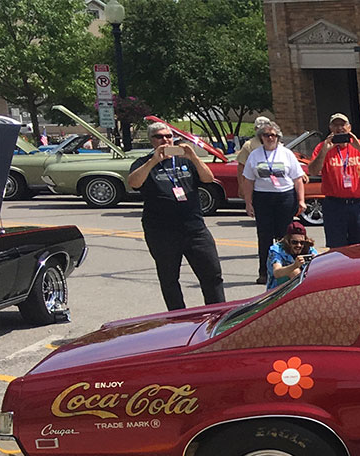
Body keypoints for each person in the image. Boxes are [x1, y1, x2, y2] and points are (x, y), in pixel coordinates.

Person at [127, 122, 224, 311]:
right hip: (162, 232)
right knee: (169, 278)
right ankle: (179, 318)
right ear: (151, 140)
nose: (165, 140)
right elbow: (134, 183)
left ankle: (217, 314)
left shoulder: (185, 161)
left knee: (212, 274)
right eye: (159, 137)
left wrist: (193, 156)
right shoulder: (144, 163)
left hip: (194, 228)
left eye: (168, 136)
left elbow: (208, 178)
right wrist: (154, 161)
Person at [241, 121, 306, 284]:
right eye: (266, 135)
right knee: (264, 236)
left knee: (285, 235)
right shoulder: (255, 155)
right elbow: (248, 180)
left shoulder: (286, 154)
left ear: (278, 137)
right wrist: (248, 203)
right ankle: (264, 271)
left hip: (285, 197)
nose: (270, 138)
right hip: (262, 198)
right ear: (261, 137)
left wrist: (301, 200)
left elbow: (298, 179)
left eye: (273, 135)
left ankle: (290, 269)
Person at [309, 113, 360, 247]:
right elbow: (312, 171)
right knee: (336, 247)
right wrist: (324, 151)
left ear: (349, 127)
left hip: (359, 204)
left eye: (342, 124)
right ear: (330, 128)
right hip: (335, 205)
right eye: (335, 125)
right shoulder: (322, 147)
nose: (339, 128)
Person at [267, 221, 317, 289]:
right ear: (287, 241)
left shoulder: (309, 249)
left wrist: (316, 262)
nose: (298, 245)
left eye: (302, 242)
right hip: (278, 289)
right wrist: (294, 266)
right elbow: (277, 272)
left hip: (304, 283)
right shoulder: (276, 250)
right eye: (294, 242)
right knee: (294, 271)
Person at [235, 116, 271, 182]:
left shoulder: (276, 143)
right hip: (255, 185)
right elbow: (241, 168)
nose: (262, 131)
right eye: (260, 128)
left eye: (265, 128)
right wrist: (242, 187)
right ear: (255, 129)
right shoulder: (248, 145)